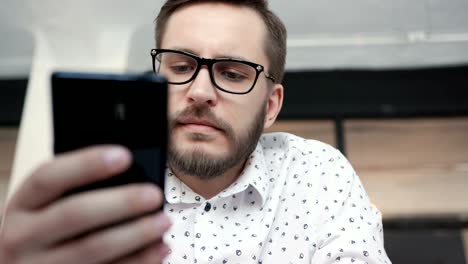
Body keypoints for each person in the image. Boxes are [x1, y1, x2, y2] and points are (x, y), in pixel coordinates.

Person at [0, 0, 391, 263]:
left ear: (270, 105)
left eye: (233, 73)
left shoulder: (315, 174)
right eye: (181, 67)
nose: (200, 93)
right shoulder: (104, 190)